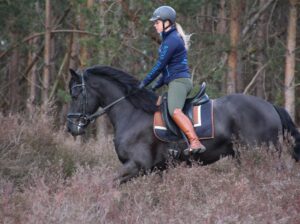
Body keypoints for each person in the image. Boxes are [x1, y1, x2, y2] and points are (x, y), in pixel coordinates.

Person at [138, 5, 206, 153]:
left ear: (166, 22)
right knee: (164, 109)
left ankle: (195, 142)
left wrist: (144, 82)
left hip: (179, 82)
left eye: (156, 22)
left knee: (175, 111)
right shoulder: (168, 39)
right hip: (175, 81)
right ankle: (175, 143)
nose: (154, 25)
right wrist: (155, 86)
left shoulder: (172, 40)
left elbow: (160, 66)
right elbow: (167, 70)